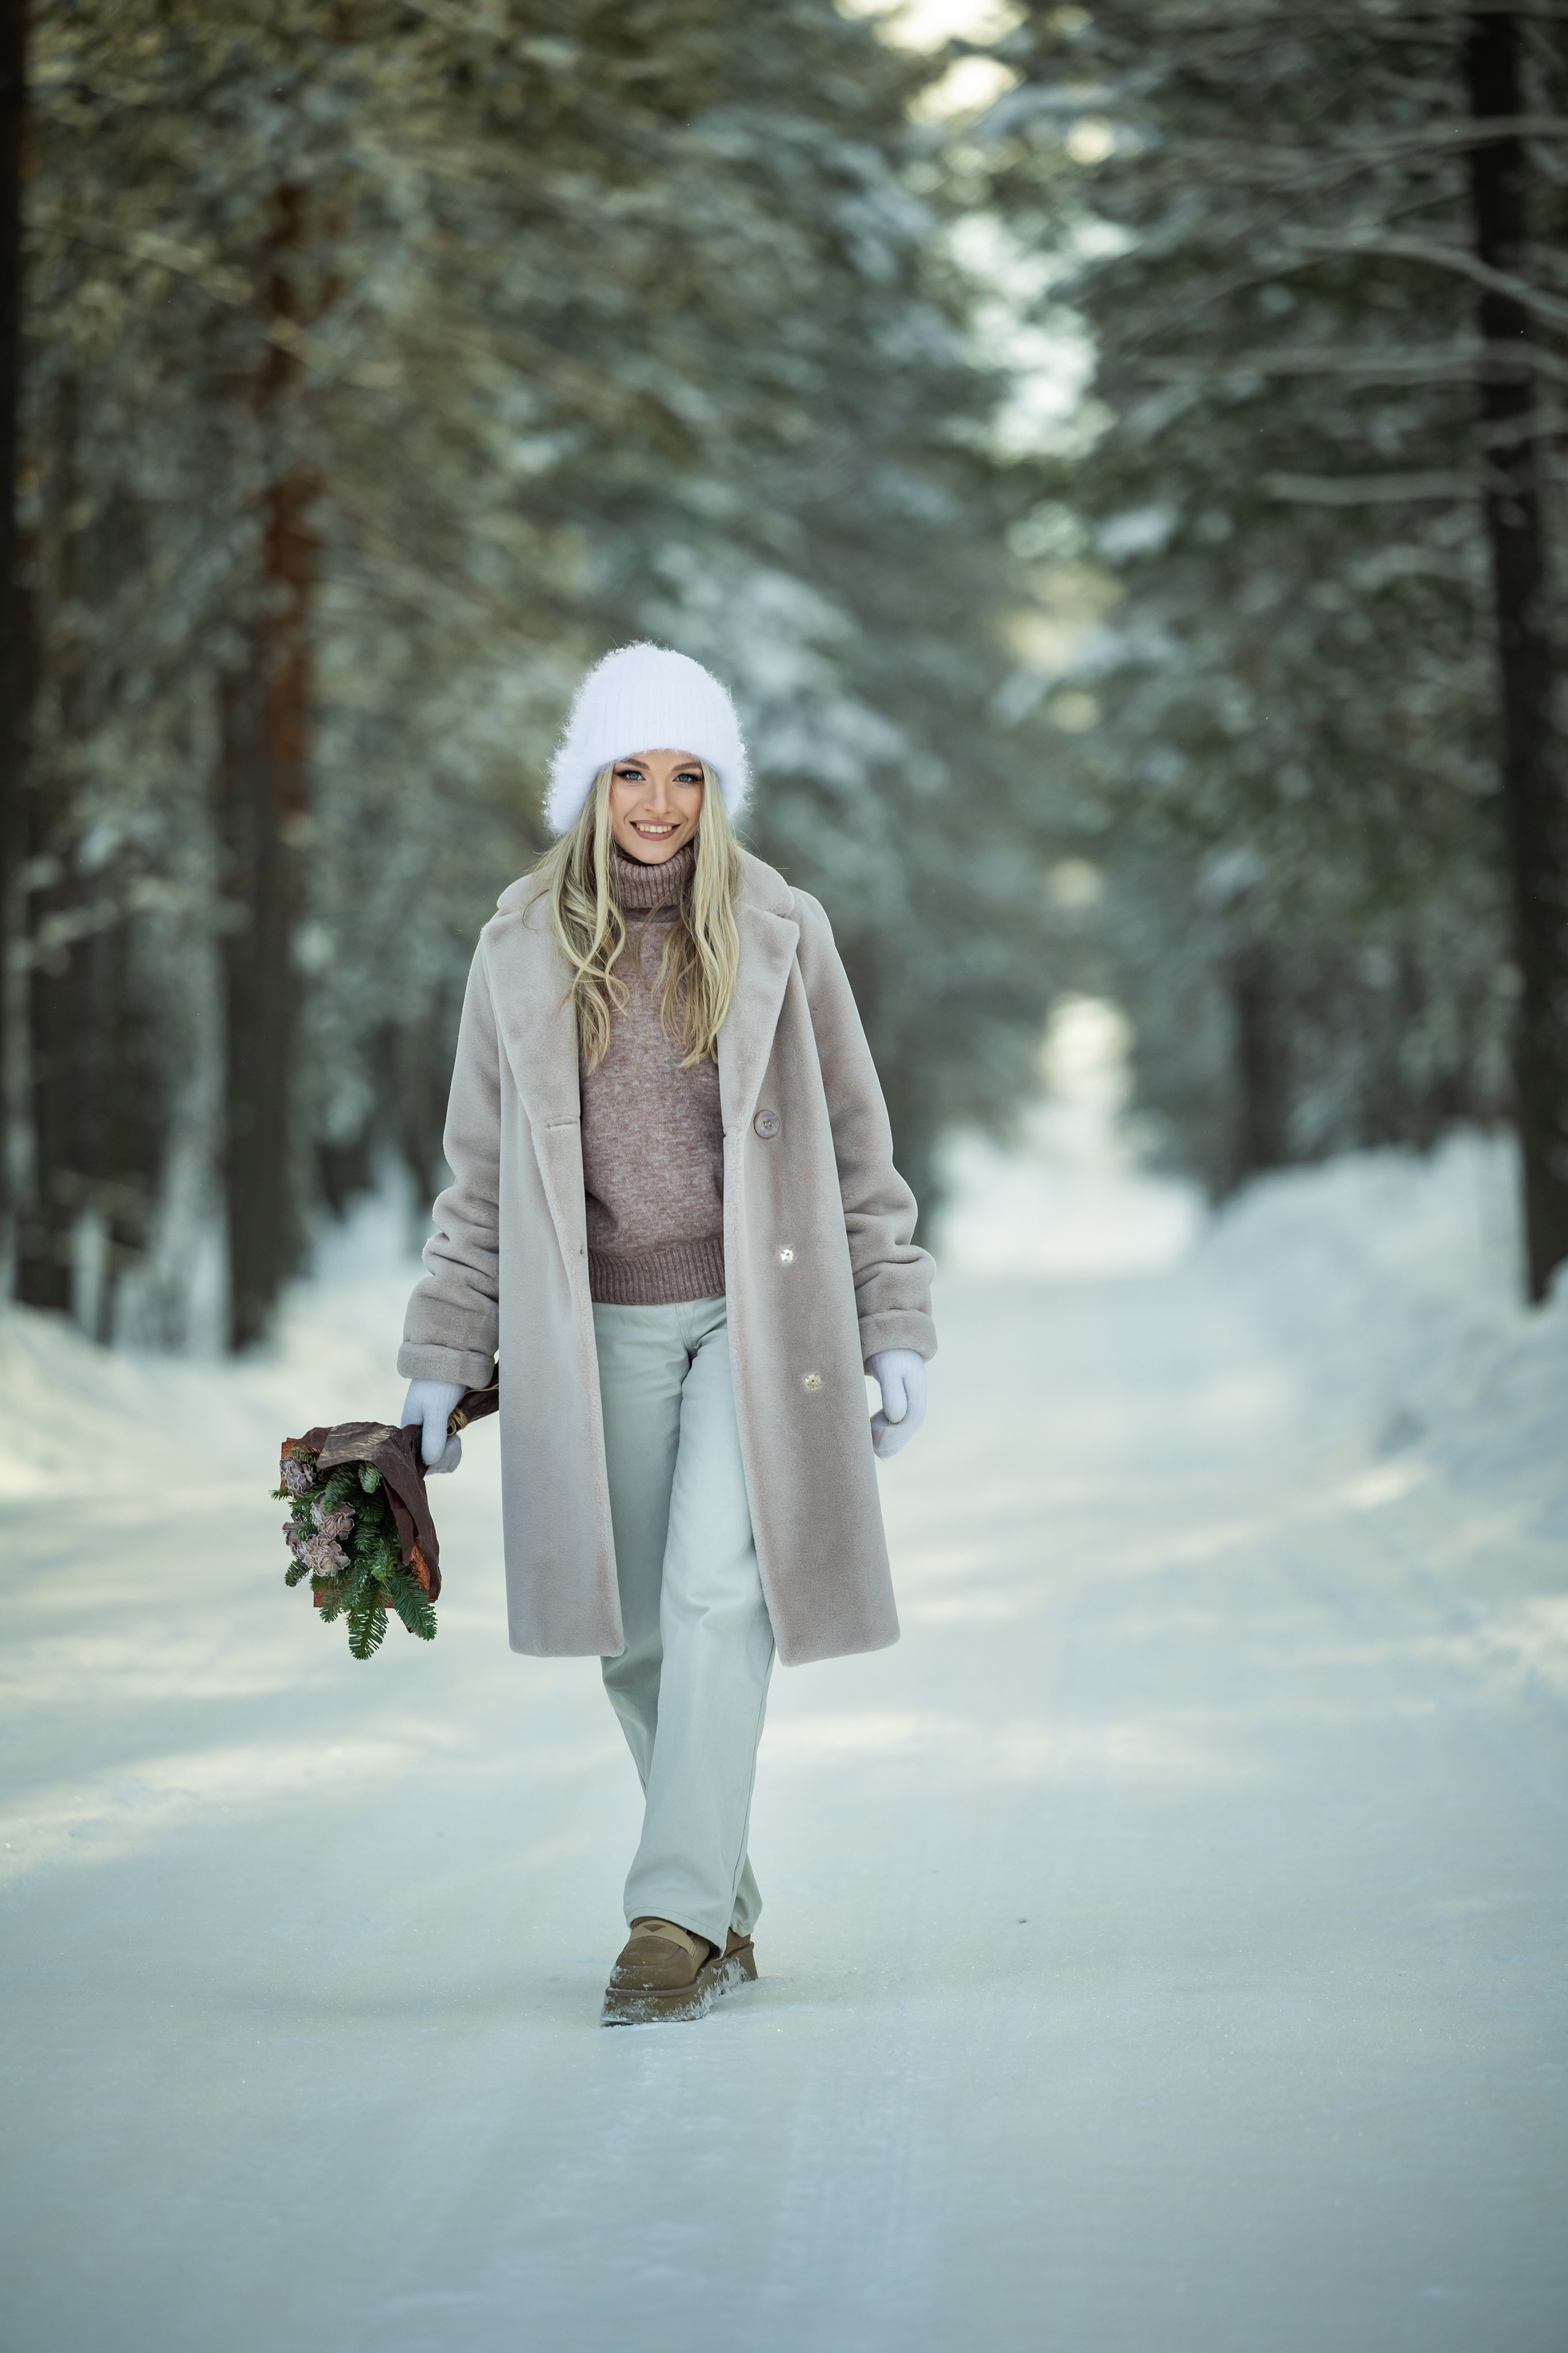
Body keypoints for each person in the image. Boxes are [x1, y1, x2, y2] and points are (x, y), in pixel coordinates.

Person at [397, 643, 936, 2025]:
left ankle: (666, 1912)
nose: (657, 802)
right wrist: (443, 1356)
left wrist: (892, 1315)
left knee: (714, 1590)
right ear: (588, 782)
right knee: (632, 1635)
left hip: (758, 1324)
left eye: (684, 774)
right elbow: (477, 1175)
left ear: (716, 786)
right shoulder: (517, 945)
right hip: (593, 1333)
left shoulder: (780, 929)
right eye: (630, 772)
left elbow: (860, 1146)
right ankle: (721, 1906)